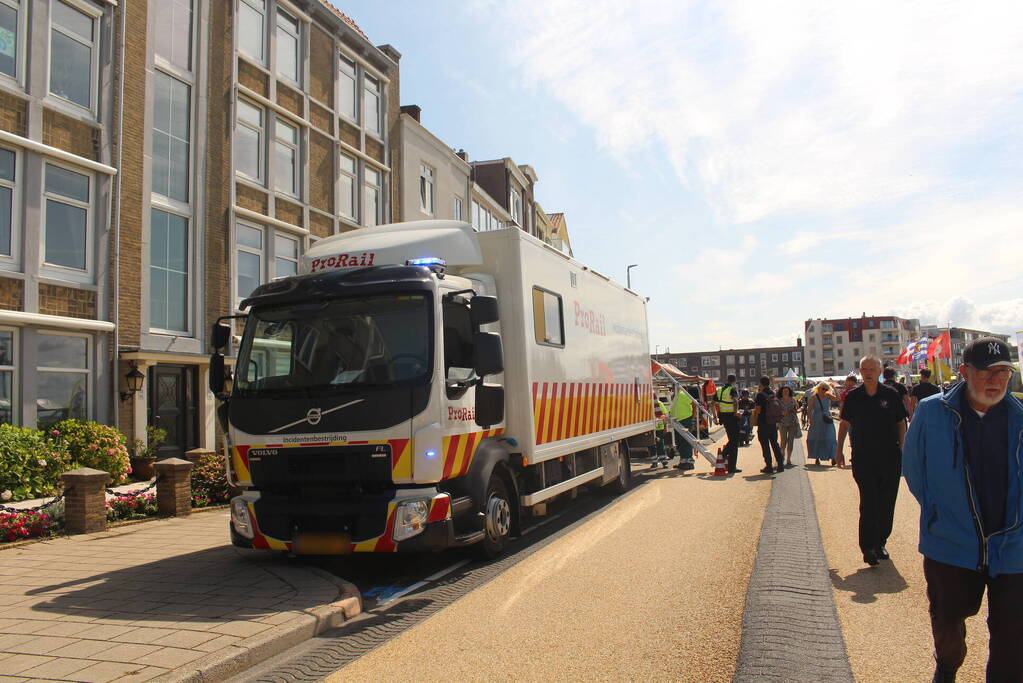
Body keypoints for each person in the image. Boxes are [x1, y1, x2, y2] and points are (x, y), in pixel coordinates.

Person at [904, 337, 1023, 683]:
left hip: (1013, 547)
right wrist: (942, 513)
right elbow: (915, 471)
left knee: (1013, 641)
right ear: (964, 372)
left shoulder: (1020, 418)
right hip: (950, 544)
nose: (995, 380)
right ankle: (947, 667)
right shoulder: (930, 412)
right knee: (948, 624)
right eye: (986, 371)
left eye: (1003, 372)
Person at [837, 355, 907, 566]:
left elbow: (901, 423)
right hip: (863, 457)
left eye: (871, 369)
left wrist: (902, 448)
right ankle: (868, 548)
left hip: (889, 457)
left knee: (886, 503)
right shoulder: (853, 397)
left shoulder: (891, 395)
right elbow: (844, 423)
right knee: (869, 502)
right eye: (863, 369)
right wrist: (838, 450)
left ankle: (880, 542)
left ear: (879, 371)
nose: (867, 372)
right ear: (860, 372)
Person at [752, 376, 784, 474]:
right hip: (773, 422)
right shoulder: (774, 393)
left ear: (761, 384)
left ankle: (769, 466)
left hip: (763, 422)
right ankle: (780, 465)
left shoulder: (760, 395)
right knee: (775, 444)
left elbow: (758, 409)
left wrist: (754, 416)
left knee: (765, 445)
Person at [806, 381, 839, 467]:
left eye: (826, 389)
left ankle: (833, 457)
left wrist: (834, 388)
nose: (824, 390)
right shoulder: (813, 397)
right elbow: (809, 410)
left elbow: (838, 399)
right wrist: (810, 420)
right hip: (816, 419)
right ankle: (817, 457)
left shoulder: (828, 396)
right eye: (822, 388)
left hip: (827, 419)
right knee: (817, 438)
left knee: (830, 437)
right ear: (818, 388)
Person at [714, 375, 742, 474]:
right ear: (734, 381)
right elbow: (735, 401)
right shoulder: (732, 389)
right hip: (732, 417)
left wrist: (714, 416)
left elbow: (713, 403)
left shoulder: (720, 390)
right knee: (735, 440)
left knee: (732, 440)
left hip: (723, 417)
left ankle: (731, 466)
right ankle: (725, 456)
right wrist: (736, 412)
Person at [669, 388, 696, 470]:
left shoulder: (683, 394)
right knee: (680, 442)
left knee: (685, 442)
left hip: (685, 420)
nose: (671, 390)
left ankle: (689, 462)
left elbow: (694, 403)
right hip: (678, 421)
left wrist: (693, 417)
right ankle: (683, 461)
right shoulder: (676, 396)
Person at [776, 386, 800, 467]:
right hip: (782, 423)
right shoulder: (779, 401)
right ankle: (782, 455)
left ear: (789, 392)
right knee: (783, 440)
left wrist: (795, 410)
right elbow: (776, 410)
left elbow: (797, 409)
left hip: (792, 422)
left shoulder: (793, 400)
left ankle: (789, 459)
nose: (786, 392)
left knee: (791, 441)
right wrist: (781, 413)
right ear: (781, 392)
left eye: (787, 391)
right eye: (784, 391)